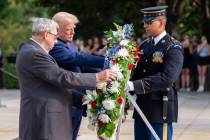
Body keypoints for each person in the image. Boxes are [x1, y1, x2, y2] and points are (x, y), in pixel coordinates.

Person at [16, 18, 117, 140]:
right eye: (55, 36)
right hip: (45, 121)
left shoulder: (32, 50)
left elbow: (53, 84)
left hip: (49, 119)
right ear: (46, 35)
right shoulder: (34, 53)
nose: (56, 41)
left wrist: (82, 99)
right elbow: (61, 77)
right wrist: (97, 77)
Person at [127, 6, 184, 140]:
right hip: (142, 106)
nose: (145, 25)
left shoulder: (172, 47)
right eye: (145, 22)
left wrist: (134, 86)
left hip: (159, 107)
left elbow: (167, 77)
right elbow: (138, 73)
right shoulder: (144, 45)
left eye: (149, 22)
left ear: (161, 22)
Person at [49, 12, 106, 140]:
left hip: (77, 101)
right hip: (65, 101)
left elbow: (82, 67)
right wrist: (104, 60)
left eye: (73, 29)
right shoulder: (56, 46)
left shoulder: (69, 45)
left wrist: (105, 72)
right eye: (68, 30)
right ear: (56, 30)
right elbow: (76, 59)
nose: (72, 33)